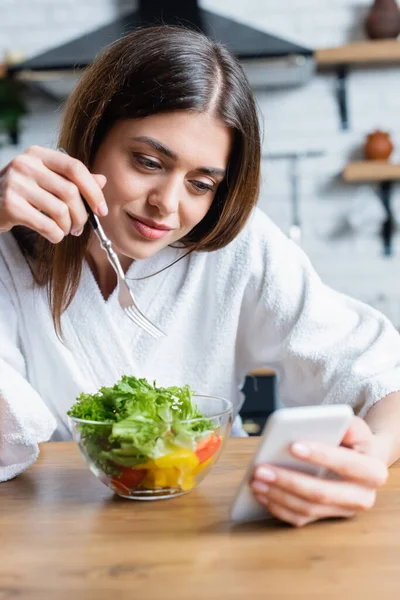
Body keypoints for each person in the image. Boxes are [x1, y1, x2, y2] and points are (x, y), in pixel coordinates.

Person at [0, 25, 399, 527]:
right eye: (147, 162)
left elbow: (381, 374)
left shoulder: (237, 247)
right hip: (43, 533)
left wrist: (371, 455)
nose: (167, 205)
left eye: (201, 182)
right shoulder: (8, 238)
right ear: (93, 135)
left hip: (199, 526)